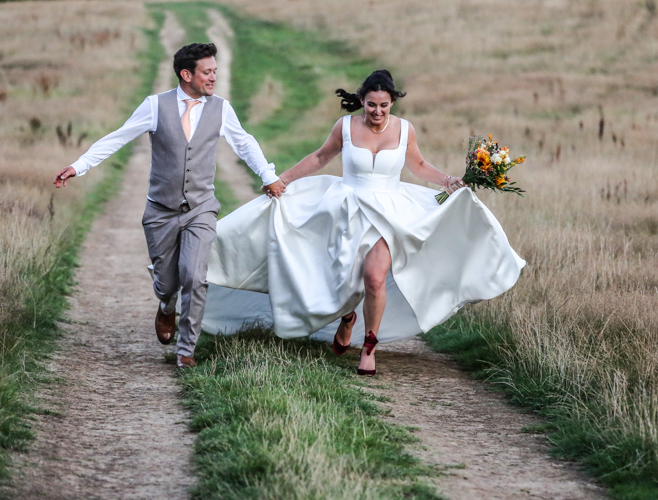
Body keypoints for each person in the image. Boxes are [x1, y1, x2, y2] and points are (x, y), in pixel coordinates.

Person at [201, 69, 525, 375]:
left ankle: (369, 345)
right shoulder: (345, 126)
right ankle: (347, 316)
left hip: (388, 212)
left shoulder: (404, 129)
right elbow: (319, 157)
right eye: (372, 104)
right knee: (342, 275)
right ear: (362, 100)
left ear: (392, 103)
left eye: (384, 105)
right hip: (347, 207)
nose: (378, 112)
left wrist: (448, 181)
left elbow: (419, 164)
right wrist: (280, 179)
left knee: (373, 277)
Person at [53, 43, 285, 368]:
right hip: (160, 211)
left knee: (194, 276)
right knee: (167, 282)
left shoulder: (221, 109)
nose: (213, 77)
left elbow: (245, 143)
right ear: (186, 74)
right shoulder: (154, 106)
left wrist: (267, 175)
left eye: (215, 71)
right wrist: (80, 165)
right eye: (208, 72)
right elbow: (118, 137)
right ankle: (166, 306)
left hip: (201, 209)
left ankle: (186, 348)